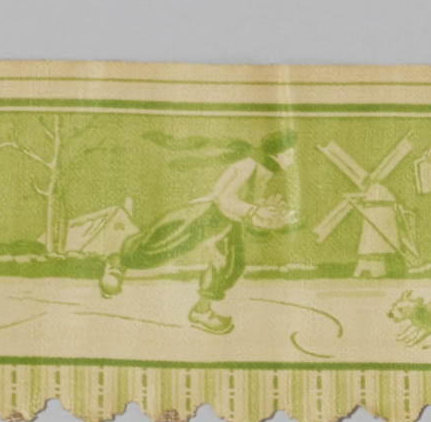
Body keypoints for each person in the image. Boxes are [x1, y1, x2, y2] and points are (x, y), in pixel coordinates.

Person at [104, 128, 299, 335]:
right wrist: (255, 211)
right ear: (275, 154)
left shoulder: (265, 171)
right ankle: (118, 263)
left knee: (230, 266)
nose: (292, 159)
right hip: (207, 215)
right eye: (288, 154)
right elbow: (224, 199)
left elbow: (246, 205)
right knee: (161, 245)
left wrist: (267, 217)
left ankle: (201, 312)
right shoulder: (248, 167)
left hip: (229, 222)